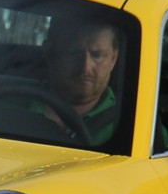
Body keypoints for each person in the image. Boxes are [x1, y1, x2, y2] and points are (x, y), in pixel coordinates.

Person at [39, 13, 124, 144]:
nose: (85, 67)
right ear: (49, 53)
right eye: (73, 52)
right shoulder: (9, 106)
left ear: (113, 59)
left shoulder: (139, 128)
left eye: (97, 55)